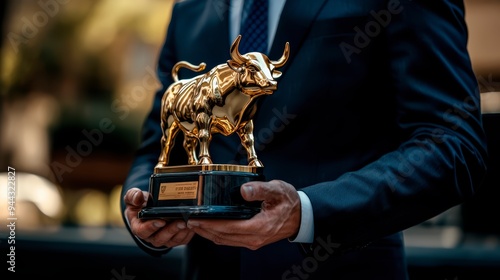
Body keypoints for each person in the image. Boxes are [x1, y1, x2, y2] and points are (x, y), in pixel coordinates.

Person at [121, 0, 489, 279]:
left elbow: (453, 143)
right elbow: (158, 145)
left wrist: (308, 211)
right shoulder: (189, 7)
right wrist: (145, 210)